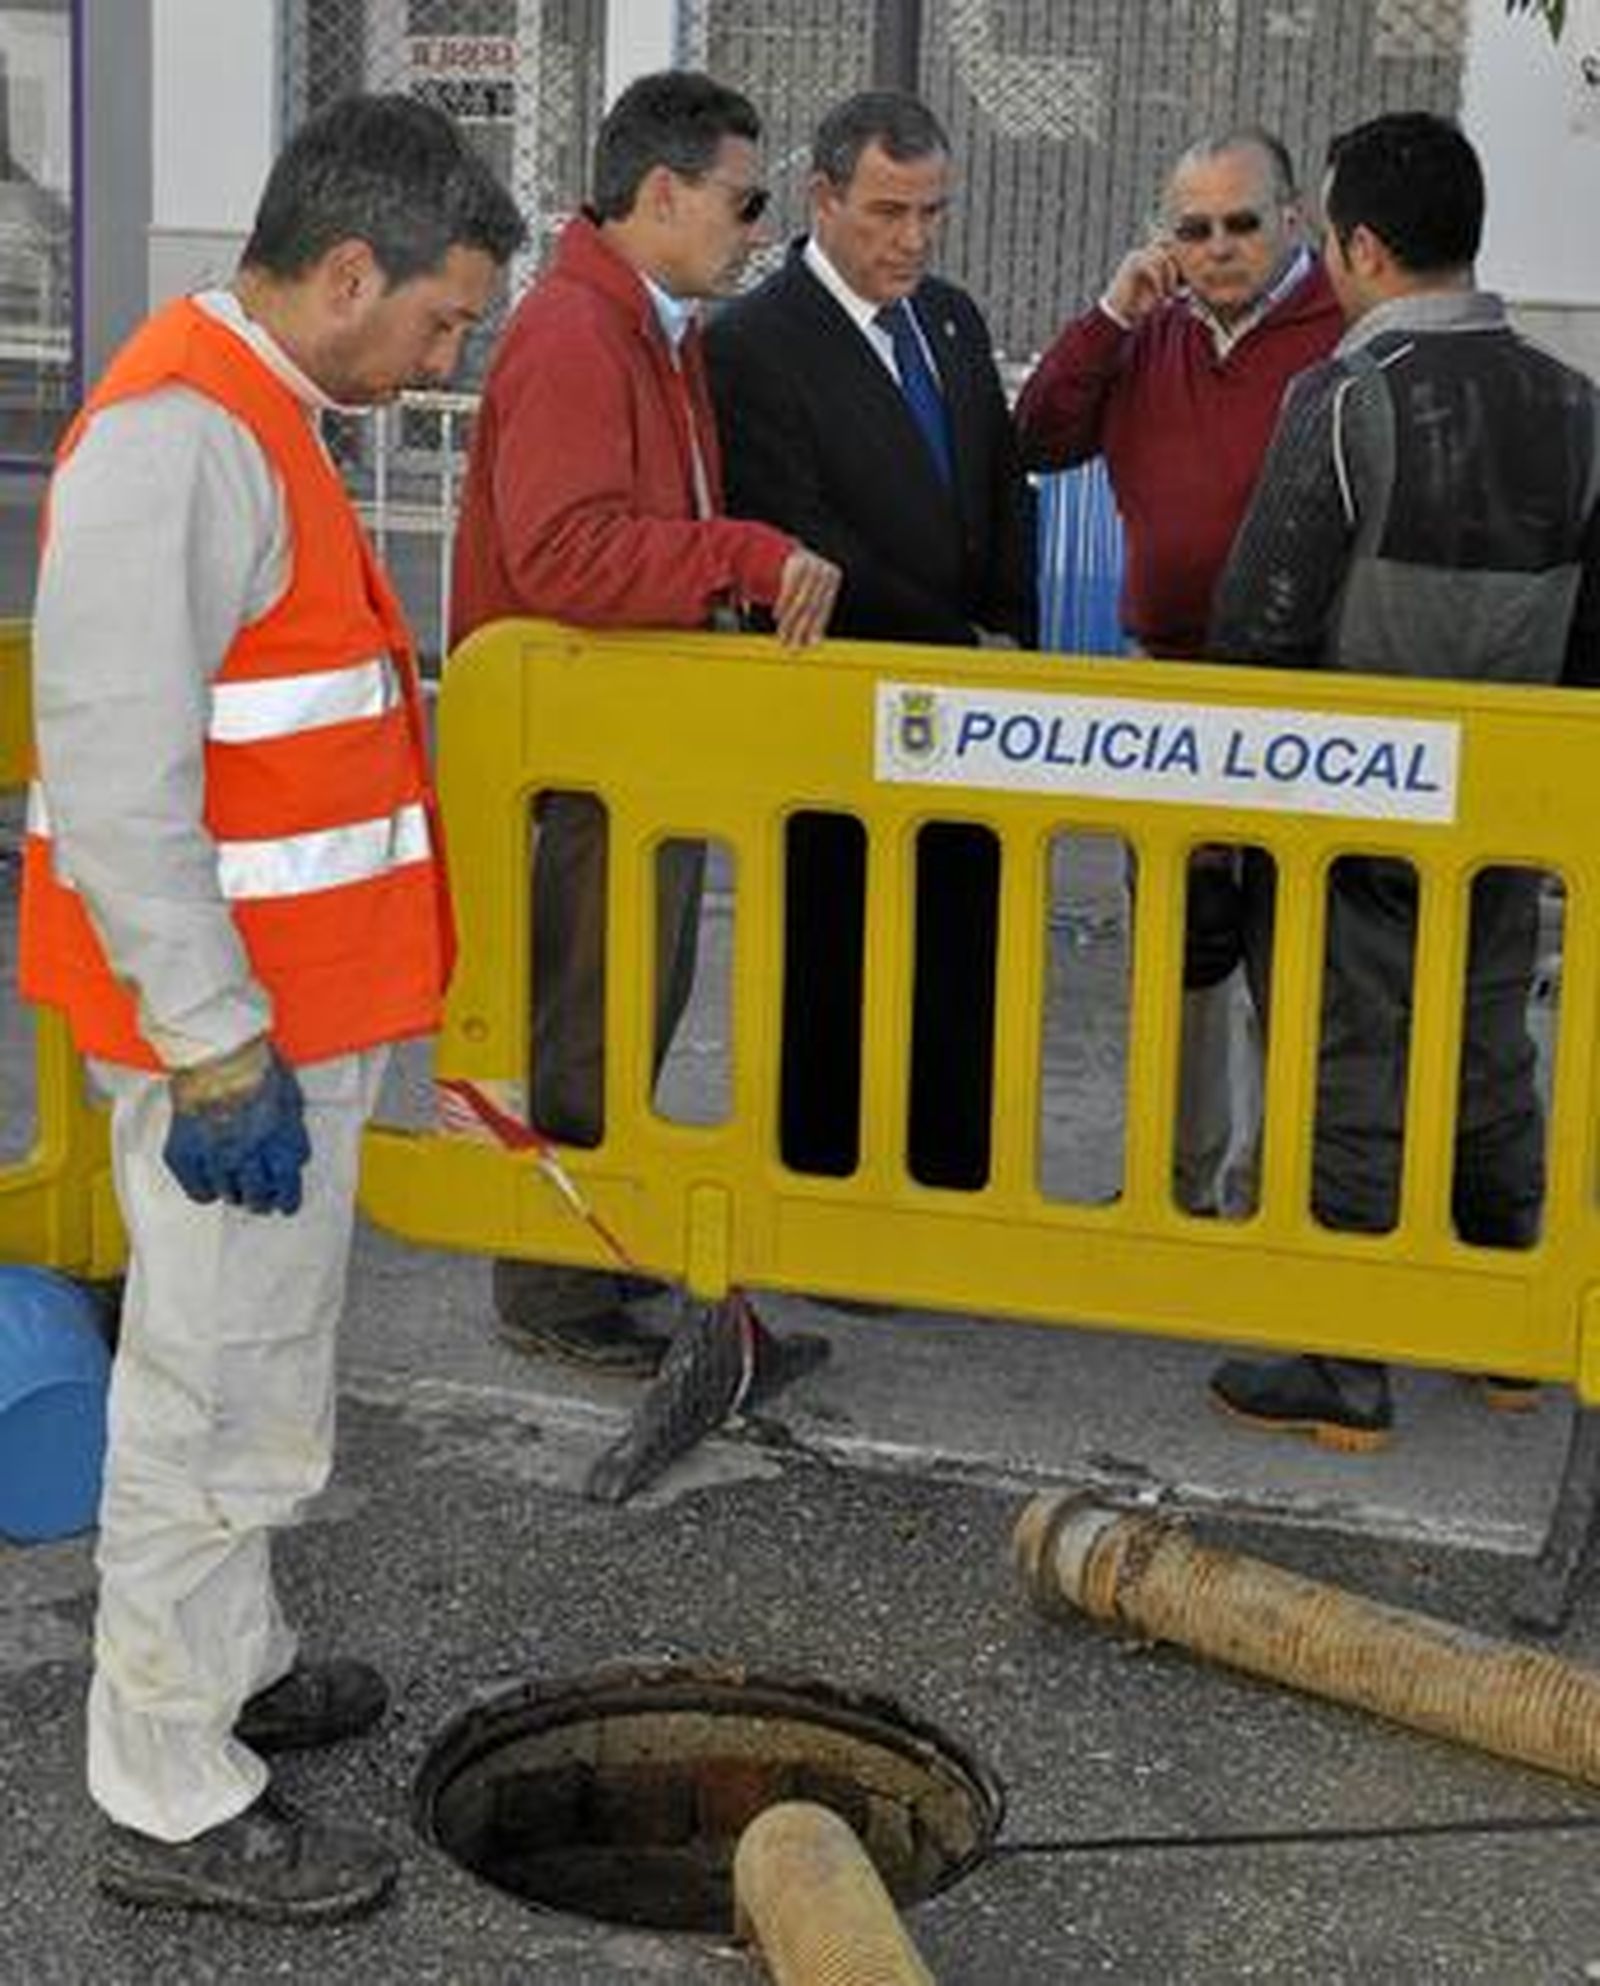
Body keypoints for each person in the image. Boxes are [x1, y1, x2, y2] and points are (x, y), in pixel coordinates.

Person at [19, 95, 525, 1919]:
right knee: (206, 1393)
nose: (445, 355)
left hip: (278, 1025)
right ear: (343, 271)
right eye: (440, 319)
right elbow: (117, 773)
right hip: (226, 1037)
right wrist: (216, 1038)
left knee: (257, 1374)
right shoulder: (179, 443)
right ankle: (164, 1796)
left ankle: (224, 1671)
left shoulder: (270, 420)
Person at [1204, 112, 1600, 1449]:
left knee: (1348, 1059)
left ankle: (1341, 1360)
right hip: (1509, 811)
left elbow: (1260, 618)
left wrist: (1225, 827)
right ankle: (1502, 1337)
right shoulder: (1577, 408)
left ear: (1363, 246)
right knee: (1491, 1049)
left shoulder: (1344, 400)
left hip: (1344, 806)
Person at [450, 70, 840, 1370]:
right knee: (589, 1015)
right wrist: (737, 552)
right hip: (581, 761)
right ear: (663, 194)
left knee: (619, 1011)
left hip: (616, 749)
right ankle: (554, 1288)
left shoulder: (638, 325)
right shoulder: (579, 332)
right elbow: (564, 552)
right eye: (746, 198)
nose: (758, 225)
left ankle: (584, 1266)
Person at [705, 89, 1033, 1190]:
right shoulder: (751, 342)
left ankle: (947, 1178)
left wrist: (1009, 625)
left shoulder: (950, 318)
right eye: (889, 211)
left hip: (970, 706)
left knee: (957, 945)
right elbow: (802, 530)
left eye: (931, 211)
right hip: (842, 707)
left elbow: (998, 481)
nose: (913, 238)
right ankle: (830, 1184)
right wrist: (953, 643)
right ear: (822, 198)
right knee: (837, 956)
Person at [1016, 130, 1343, 1219]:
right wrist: (1110, 314)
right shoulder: (1144, 335)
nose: (1216, 248)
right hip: (1170, 691)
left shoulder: (1344, 330)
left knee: (1291, 960)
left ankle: (1271, 1186)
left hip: (1311, 696)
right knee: (1177, 958)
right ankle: (1176, 1181)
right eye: (1191, 228)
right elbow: (1040, 434)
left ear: (1291, 220)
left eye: (1241, 223)